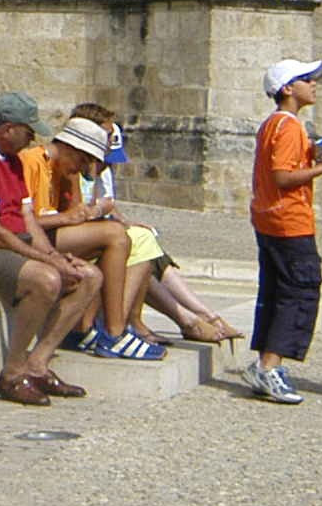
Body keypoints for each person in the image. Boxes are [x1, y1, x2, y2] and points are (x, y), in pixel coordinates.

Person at [0, 93, 104, 405]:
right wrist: (47, 262)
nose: (32, 140)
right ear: (8, 129)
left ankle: (38, 365)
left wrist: (55, 256)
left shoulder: (12, 161)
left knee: (89, 276)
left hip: (7, 244)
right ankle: (12, 373)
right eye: (28, 132)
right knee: (46, 280)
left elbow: (27, 219)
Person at [65, 101, 239, 348]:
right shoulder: (75, 167)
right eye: (107, 135)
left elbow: (103, 205)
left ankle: (191, 317)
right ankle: (129, 326)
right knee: (136, 242)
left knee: (142, 239)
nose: (110, 142)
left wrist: (117, 218)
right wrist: (104, 212)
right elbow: (79, 210)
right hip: (78, 235)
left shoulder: (94, 167)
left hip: (94, 229)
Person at [34, 117, 161, 360]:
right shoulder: (34, 162)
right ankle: (115, 332)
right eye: (83, 161)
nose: (84, 169)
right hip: (34, 237)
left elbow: (74, 208)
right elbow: (22, 221)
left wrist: (84, 211)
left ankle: (110, 328)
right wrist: (71, 217)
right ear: (69, 148)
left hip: (50, 232)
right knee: (115, 236)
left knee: (126, 239)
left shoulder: (64, 169)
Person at [245, 59, 322, 405]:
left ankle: (264, 363)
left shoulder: (272, 124)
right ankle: (270, 366)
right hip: (289, 220)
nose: (314, 84)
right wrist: (319, 168)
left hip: (269, 217)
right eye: (306, 79)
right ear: (288, 88)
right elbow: (282, 175)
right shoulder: (290, 126)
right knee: (298, 290)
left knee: (275, 290)